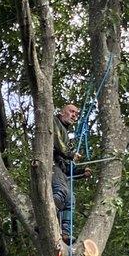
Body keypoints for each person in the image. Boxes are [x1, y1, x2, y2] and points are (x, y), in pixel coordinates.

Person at [53, 104, 91, 244]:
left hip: (61, 169)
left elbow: (68, 167)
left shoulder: (66, 134)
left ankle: (65, 233)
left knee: (70, 199)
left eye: (76, 113)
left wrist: (82, 172)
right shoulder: (54, 121)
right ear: (62, 112)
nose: (74, 115)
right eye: (71, 111)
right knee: (61, 191)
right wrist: (71, 154)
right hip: (51, 165)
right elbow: (57, 143)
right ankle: (46, 217)